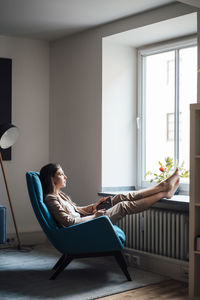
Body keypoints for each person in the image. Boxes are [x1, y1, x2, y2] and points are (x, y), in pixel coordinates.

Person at [39, 163, 180, 227]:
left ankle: (162, 188)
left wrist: (95, 205)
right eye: (61, 174)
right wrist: (94, 215)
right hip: (84, 226)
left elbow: (78, 210)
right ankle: (163, 192)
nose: (65, 176)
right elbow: (68, 222)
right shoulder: (51, 199)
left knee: (118, 198)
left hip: (88, 218)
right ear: (52, 179)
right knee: (123, 206)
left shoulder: (60, 195)